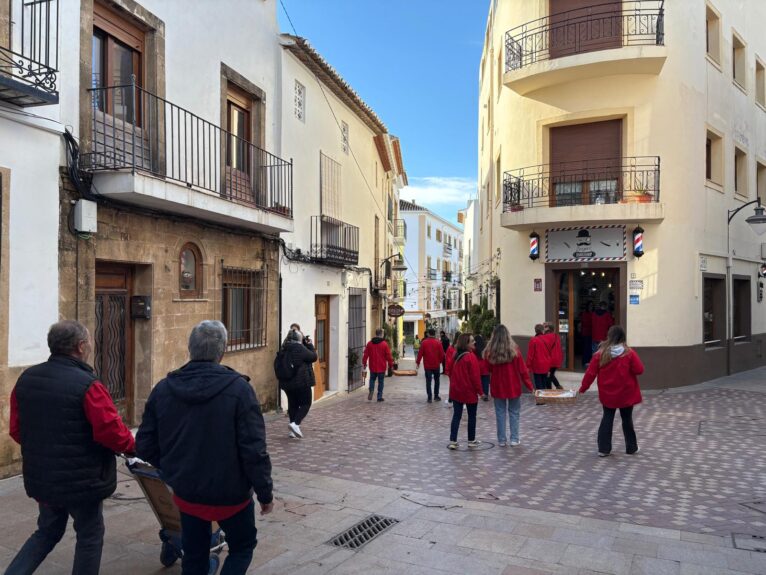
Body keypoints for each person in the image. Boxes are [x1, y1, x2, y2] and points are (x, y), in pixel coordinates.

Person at [136, 320, 273, 575]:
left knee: (194, 554)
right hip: (231, 496)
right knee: (242, 547)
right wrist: (265, 493)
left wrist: (173, 468)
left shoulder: (163, 389)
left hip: (187, 493)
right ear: (222, 352)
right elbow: (254, 450)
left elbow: (143, 446)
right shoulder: (240, 390)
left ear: (190, 349)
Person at [7, 320, 136, 575]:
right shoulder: (88, 385)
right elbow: (111, 432)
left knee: (46, 531)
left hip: (43, 476)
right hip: (82, 481)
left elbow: (16, 429)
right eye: (88, 342)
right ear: (80, 346)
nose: (90, 346)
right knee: (89, 535)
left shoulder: (26, 380)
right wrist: (134, 446)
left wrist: (45, 447)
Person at [578, 325, 644, 457]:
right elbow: (639, 370)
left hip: (608, 394)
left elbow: (590, 374)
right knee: (627, 420)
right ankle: (631, 447)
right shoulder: (629, 353)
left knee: (607, 418)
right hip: (626, 393)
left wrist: (583, 389)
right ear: (623, 337)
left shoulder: (600, 354)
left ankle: (603, 449)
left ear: (609, 336)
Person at [485, 324, 534, 447]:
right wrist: (530, 387)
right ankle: (514, 438)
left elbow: (487, 369)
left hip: (498, 386)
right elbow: (523, 371)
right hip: (513, 386)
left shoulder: (490, 352)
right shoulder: (514, 351)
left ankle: (502, 440)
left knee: (500, 413)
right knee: (514, 412)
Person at [447, 333, 484, 450]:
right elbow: (475, 377)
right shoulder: (471, 357)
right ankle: (471, 440)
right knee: (472, 416)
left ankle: (453, 441)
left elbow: (449, 370)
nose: (474, 343)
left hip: (456, 390)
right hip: (469, 392)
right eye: (472, 341)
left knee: (456, 416)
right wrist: (481, 392)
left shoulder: (455, 355)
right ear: (466, 344)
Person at [279, 328, 318, 436]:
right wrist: (310, 345)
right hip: (301, 382)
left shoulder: (284, 348)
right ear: (299, 338)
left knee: (293, 405)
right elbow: (313, 357)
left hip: (287, 383)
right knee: (306, 404)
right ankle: (296, 424)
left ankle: (293, 430)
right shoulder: (299, 348)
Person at [362, 328, 394, 402]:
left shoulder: (369, 343)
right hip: (381, 366)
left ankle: (371, 390)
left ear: (376, 334)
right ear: (381, 334)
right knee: (381, 381)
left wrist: (364, 363)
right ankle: (379, 397)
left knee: (372, 379)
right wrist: (391, 365)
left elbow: (365, 354)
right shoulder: (384, 344)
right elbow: (388, 356)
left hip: (372, 366)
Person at [416, 328, 445, 402]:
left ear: (428, 334)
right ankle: (436, 396)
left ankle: (429, 397)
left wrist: (418, 363)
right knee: (437, 381)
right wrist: (440, 362)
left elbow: (420, 353)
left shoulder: (424, 343)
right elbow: (442, 355)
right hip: (436, 365)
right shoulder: (438, 343)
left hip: (427, 366)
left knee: (428, 382)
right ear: (434, 334)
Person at [527, 324, 552, 392]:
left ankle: (540, 400)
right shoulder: (548, 340)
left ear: (535, 331)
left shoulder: (533, 340)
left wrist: (528, 366)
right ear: (542, 330)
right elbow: (550, 354)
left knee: (538, 384)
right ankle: (543, 397)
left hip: (537, 365)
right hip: (546, 365)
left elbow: (530, 355)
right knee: (544, 384)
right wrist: (549, 368)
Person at [542, 323, 564, 390]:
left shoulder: (547, 336)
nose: (543, 328)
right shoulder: (556, 336)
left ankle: (550, 390)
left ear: (548, 329)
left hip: (551, 359)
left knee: (548, 375)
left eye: (545, 327)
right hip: (556, 358)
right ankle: (558, 387)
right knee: (551, 375)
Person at [474, 334, 490, 400]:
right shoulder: (485, 348)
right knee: (485, 382)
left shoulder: (474, 349)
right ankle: (485, 394)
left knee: (478, 381)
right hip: (485, 366)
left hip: (477, 366)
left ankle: (480, 394)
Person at [580, 302, 594, 368]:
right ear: (587, 307)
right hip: (586, 332)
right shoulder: (585, 314)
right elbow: (585, 323)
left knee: (590, 348)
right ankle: (585, 362)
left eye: (592, 306)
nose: (591, 307)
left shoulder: (593, 313)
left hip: (591, 332)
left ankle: (588, 361)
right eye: (590, 306)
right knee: (586, 348)